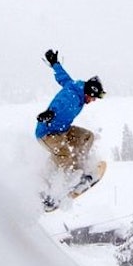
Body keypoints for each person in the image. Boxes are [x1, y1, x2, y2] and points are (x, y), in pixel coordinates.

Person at [35, 49, 105, 188]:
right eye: (93, 97)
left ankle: (78, 171)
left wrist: (55, 63)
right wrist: (49, 114)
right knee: (64, 154)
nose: (93, 100)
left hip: (62, 130)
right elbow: (59, 104)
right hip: (47, 133)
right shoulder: (71, 99)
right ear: (89, 92)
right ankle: (52, 189)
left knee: (87, 137)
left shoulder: (75, 87)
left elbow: (63, 78)